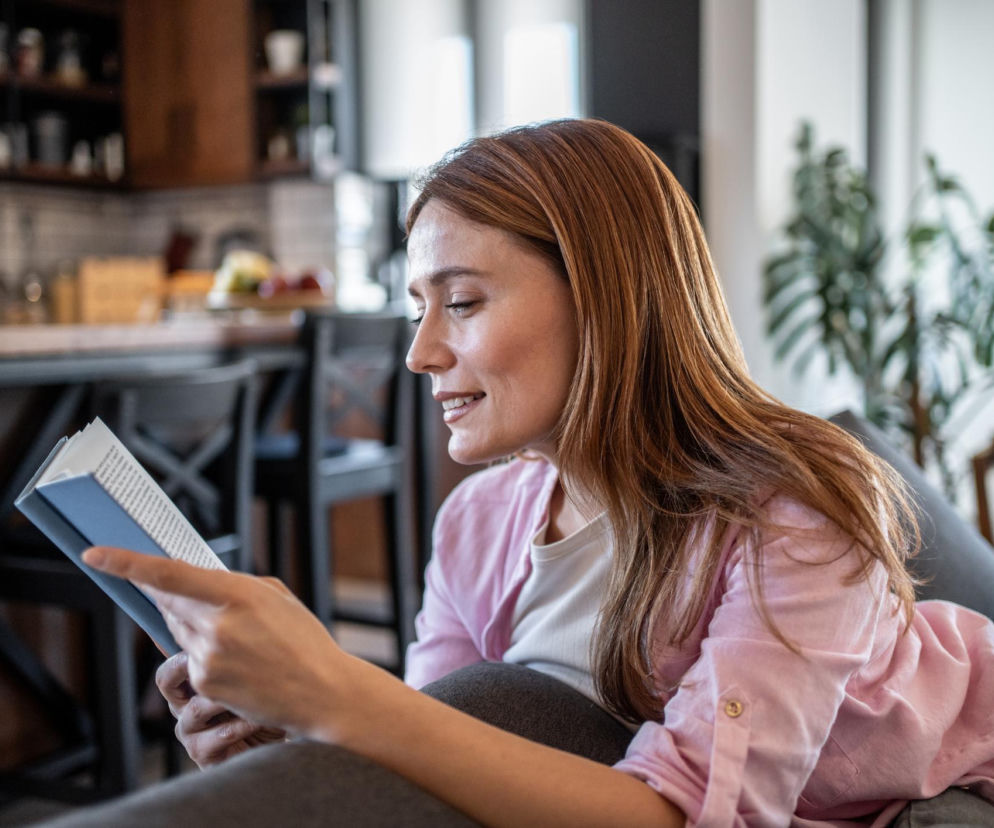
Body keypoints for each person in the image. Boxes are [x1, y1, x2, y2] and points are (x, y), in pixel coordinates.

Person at [64, 118, 994, 826]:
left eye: (461, 302)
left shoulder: (789, 514)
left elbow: (696, 817)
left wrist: (344, 695)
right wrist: (294, 739)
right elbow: (444, 752)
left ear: (607, 296)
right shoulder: (477, 523)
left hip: (939, 791)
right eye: (418, 309)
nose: (421, 353)